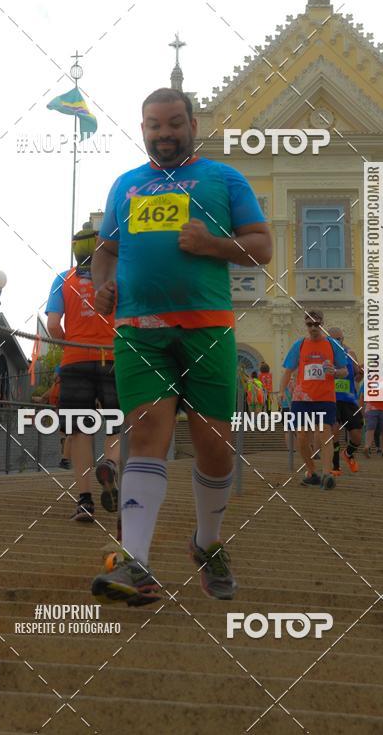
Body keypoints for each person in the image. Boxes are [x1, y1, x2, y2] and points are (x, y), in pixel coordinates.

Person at [90, 87, 272, 606]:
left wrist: (212, 245)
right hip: (138, 330)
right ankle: (137, 565)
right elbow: (106, 250)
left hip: (207, 328)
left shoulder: (224, 179)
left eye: (173, 123)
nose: (163, 134)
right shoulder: (125, 186)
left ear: (193, 123)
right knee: (147, 435)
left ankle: (208, 543)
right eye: (153, 125)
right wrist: (104, 285)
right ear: (142, 128)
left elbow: (261, 247)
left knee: (214, 447)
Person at [46, 227, 121, 522]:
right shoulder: (117, 278)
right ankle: (111, 465)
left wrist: (70, 343)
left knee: (79, 432)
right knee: (116, 425)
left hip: (75, 359)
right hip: (113, 358)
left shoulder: (62, 280)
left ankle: (84, 500)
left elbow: (53, 325)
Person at [277, 309, 348, 490]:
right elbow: (287, 371)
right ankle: (312, 471)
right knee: (301, 437)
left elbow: (345, 370)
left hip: (325, 398)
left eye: (317, 324)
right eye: (310, 324)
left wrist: (336, 372)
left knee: (324, 433)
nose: (313, 328)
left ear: (322, 324)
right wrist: (281, 391)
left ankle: (326, 474)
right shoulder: (299, 345)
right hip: (301, 399)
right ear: (306, 325)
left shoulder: (333, 345)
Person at [326, 326, 362, 476]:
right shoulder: (325, 354)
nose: (338, 342)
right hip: (331, 399)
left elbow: (357, 377)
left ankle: (347, 454)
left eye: (340, 339)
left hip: (349, 399)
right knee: (334, 431)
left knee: (357, 436)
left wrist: (361, 373)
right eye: (334, 339)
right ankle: (335, 465)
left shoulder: (350, 353)